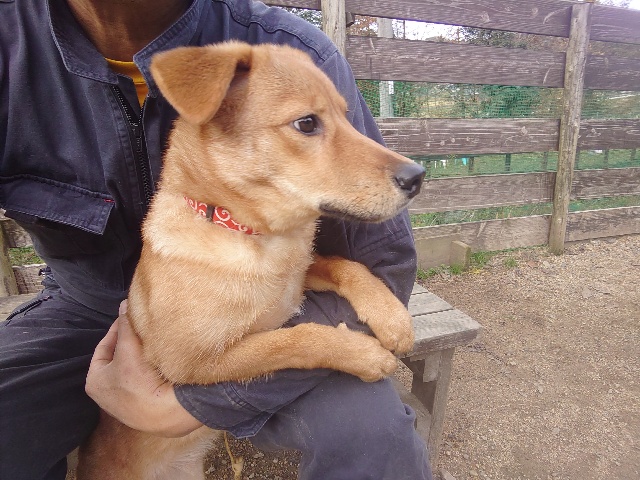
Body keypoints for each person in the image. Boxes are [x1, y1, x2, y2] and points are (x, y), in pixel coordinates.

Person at [0, 1, 433, 479]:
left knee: (377, 442)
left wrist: (184, 406)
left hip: (262, 321)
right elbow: (186, 358)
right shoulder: (10, 46)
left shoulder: (289, 51)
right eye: (308, 123)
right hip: (84, 307)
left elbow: (384, 258)